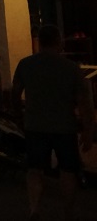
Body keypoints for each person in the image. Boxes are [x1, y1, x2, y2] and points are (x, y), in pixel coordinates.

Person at [11, 25, 95, 221]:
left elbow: (15, 93)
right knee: (67, 171)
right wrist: (88, 130)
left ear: (39, 41)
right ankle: (67, 212)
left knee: (34, 169)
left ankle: (34, 209)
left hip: (34, 125)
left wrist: (18, 116)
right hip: (64, 126)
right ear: (59, 41)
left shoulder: (26, 64)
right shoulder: (70, 68)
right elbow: (85, 102)